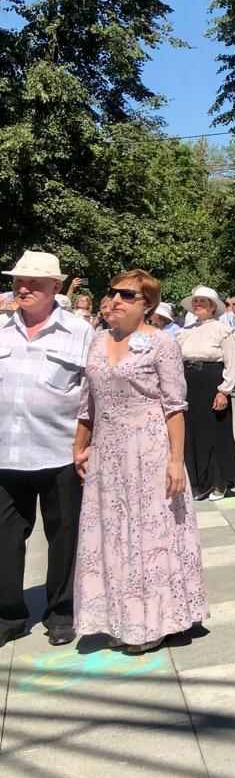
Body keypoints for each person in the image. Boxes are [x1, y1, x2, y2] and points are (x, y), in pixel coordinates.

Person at [72, 269, 209, 653]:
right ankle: (119, 615)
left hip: (149, 448)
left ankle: (156, 621)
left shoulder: (161, 344)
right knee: (112, 534)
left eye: (127, 296)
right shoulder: (98, 341)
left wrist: (176, 460)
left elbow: (175, 406)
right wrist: (80, 444)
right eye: (113, 293)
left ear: (147, 305)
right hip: (107, 451)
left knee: (149, 535)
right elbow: (89, 401)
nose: (115, 300)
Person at [0, 251, 93, 647]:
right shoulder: (0, 328)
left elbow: (93, 392)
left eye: (34, 282)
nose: (24, 288)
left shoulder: (79, 331)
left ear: (56, 287)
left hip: (60, 453)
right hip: (6, 454)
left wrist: (90, 445)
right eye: (19, 280)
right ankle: (9, 614)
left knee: (64, 536)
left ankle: (61, 610)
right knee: (4, 539)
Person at [176, 286, 235, 501]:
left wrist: (224, 391)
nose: (198, 306)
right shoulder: (185, 331)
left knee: (216, 433)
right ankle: (199, 481)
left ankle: (219, 481)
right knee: (193, 434)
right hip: (190, 384)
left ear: (213, 307)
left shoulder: (221, 330)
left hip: (212, 383)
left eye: (203, 302)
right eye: (196, 302)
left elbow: (231, 364)